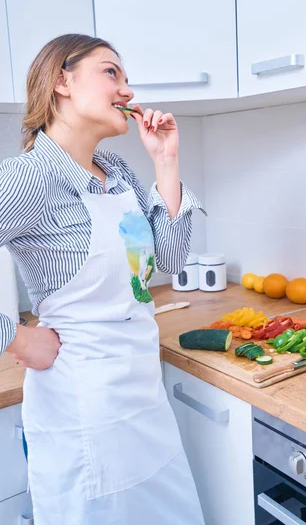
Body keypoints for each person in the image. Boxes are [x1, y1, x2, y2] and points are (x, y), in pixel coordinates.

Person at [0, 34, 206, 525]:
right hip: (84, 415)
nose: (128, 90)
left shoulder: (116, 172)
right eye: (111, 72)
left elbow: (170, 263)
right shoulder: (29, 177)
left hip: (144, 405)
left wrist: (166, 161)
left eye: (127, 78)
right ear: (61, 81)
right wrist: (18, 338)